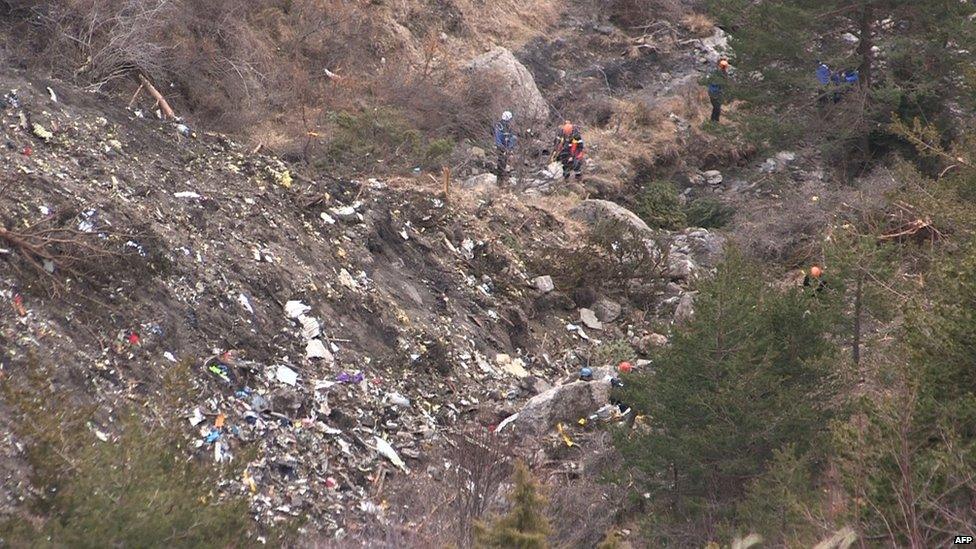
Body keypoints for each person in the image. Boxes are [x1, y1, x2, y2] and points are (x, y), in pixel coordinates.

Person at [705, 57, 730, 122]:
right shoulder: (716, 73)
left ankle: (713, 122)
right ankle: (714, 122)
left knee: (716, 108)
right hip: (714, 93)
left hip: (718, 93)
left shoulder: (723, 73)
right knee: (717, 108)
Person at [493, 111, 517, 177]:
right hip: (501, 146)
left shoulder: (508, 126)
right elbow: (498, 137)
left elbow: (512, 136)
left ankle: (503, 175)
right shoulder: (499, 126)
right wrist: (501, 146)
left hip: (506, 146)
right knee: (501, 162)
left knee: (505, 161)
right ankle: (500, 177)